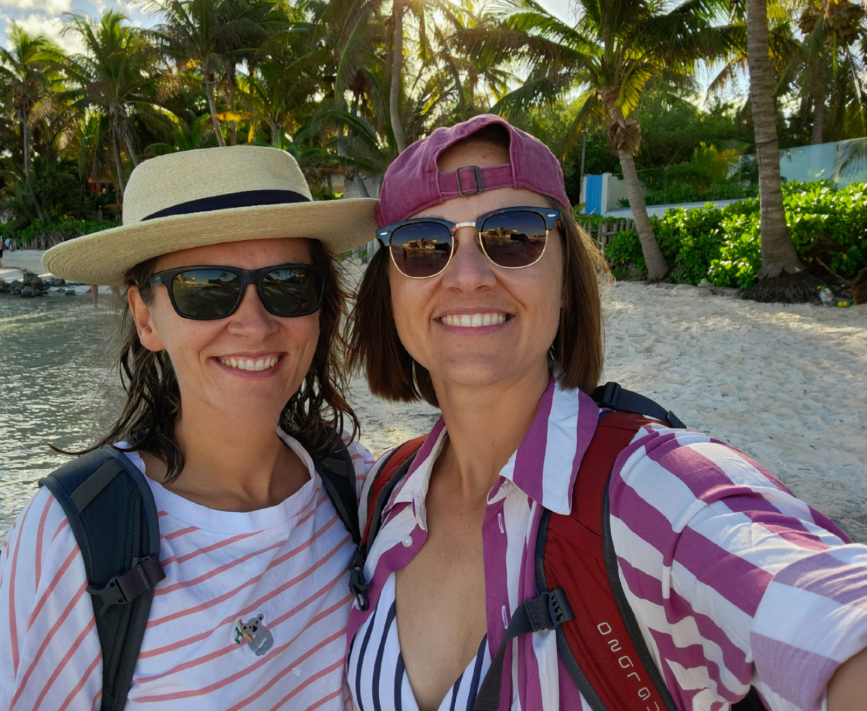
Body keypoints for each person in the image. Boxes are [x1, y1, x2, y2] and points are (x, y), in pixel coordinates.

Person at [346, 114, 867, 711]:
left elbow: (817, 602)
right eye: (424, 246)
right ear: (388, 292)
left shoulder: (657, 495)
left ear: (567, 277)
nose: (467, 276)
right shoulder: (382, 497)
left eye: (514, 236)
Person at [0, 146, 378, 709]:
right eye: (206, 287)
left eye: (288, 283)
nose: (255, 324)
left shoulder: (355, 482)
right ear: (145, 317)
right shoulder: (77, 535)